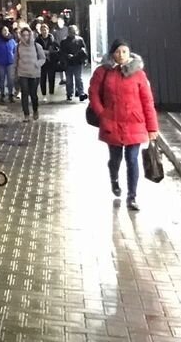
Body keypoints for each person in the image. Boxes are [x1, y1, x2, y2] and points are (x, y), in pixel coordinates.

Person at [89, 39, 159, 211]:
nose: (121, 55)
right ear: (112, 53)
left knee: (132, 159)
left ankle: (132, 197)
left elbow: (147, 101)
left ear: (129, 53)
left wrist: (152, 128)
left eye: (124, 51)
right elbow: (93, 94)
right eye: (118, 52)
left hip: (134, 123)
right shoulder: (103, 72)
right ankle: (114, 179)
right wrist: (102, 114)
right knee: (115, 159)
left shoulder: (139, 74)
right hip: (111, 122)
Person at [14, 26, 46, 120]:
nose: (25, 37)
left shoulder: (37, 46)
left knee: (33, 94)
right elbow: (15, 60)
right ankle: (26, 114)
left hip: (34, 73)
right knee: (24, 93)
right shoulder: (18, 46)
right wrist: (15, 72)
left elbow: (42, 58)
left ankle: (35, 110)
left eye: (27, 35)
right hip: (22, 73)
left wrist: (37, 64)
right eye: (23, 35)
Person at [0, 24, 18, 102]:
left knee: (10, 79)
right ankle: (3, 94)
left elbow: (15, 50)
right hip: (0, 62)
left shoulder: (11, 40)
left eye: (7, 30)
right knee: (1, 79)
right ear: (1, 31)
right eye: (4, 30)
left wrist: (16, 59)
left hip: (10, 62)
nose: (6, 32)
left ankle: (11, 94)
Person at [61, 25, 89, 101]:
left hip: (77, 62)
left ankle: (80, 93)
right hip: (68, 63)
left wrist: (83, 59)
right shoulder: (64, 41)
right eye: (71, 31)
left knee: (78, 78)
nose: (72, 33)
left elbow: (84, 50)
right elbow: (62, 52)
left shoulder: (79, 40)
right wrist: (67, 56)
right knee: (69, 80)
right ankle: (69, 93)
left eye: (74, 31)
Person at [36, 22, 60, 102]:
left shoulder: (52, 39)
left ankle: (51, 94)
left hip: (51, 62)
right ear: (40, 31)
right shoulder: (37, 40)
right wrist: (43, 52)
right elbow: (35, 50)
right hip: (42, 62)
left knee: (51, 78)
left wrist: (51, 52)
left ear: (48, 30)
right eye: (42, 30)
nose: (44, 31)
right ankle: (43, 95)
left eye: (45, 30)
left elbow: (57, 50)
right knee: (42, 79)